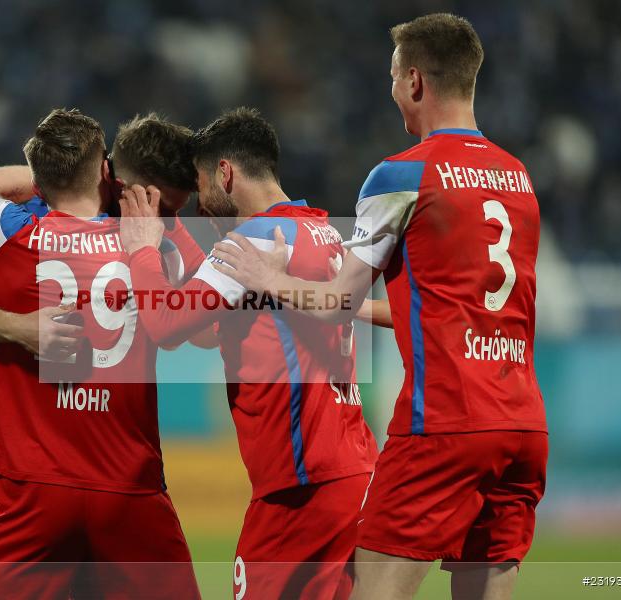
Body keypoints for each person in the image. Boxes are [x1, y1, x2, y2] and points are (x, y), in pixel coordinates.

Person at [210, 14, 547, 600]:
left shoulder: (400, 174)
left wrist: (270, 277)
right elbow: (458, 307)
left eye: (393, 77)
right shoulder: (518, 177)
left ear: (414, 81)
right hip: (523, 426)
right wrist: (364, 311)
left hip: (445, 425)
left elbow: (332, 302)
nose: (391, 91)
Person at [120, 107, 386, 599]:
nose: (201, 204)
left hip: (300, 485)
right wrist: (171, 226)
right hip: (349, 471)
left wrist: (142, 247)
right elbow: (212, 319)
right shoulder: (322, 231)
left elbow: (166, 325)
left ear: (226, 173)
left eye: (202, 185)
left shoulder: (256, 241)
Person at [0, 109, 203, 599]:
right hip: (128, 482)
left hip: (34, 484)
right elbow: (201, 330)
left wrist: (20, 328)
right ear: (106, 170)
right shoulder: (150, 241)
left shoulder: (10, 233)